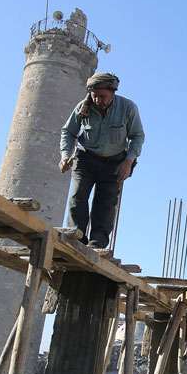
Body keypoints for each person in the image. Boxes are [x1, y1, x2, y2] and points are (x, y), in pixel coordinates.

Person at [59, 72, 144, 248]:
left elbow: (137, 136)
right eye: (95, 96)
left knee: (106, 203)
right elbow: (68, 132)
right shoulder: (83, 107)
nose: (98, 100)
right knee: (78, 197)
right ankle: (76, 237)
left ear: (113, 93)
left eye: (103, 96)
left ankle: (97, 243)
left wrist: (128, 162)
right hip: (85, 159)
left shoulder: (128, 108)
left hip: (115, 163)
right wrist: (65, 155)